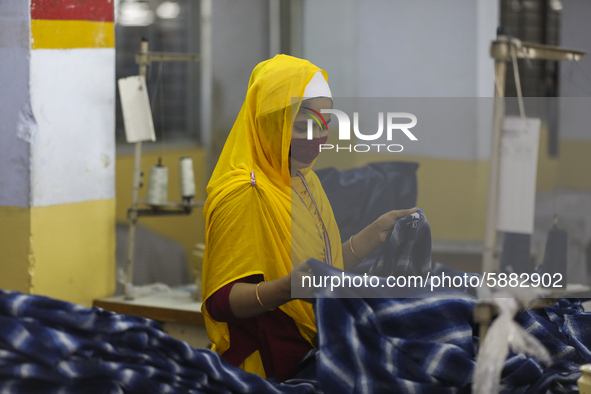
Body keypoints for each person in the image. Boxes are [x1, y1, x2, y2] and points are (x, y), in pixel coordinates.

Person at [201, 55, 416, 381]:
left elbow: (321, 271)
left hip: (311, 352)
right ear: (271, 122)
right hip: (263, 368)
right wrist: (286, 289)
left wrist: (373, 235)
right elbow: (221, 302)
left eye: (323, 123)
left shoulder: (304, 180)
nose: (317, 137)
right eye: (302, 125)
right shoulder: (245, 192)